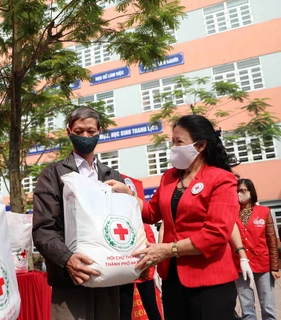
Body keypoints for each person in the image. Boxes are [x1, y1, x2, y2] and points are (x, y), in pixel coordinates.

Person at [107, 114, 240, 320]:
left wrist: (169, 249)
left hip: (210, 281)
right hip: (173, 279)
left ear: (201, 145)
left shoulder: (221, 179)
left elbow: (216, 234)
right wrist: (129, 195)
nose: (174, 148)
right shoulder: (169, 177)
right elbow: (152, 212)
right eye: (173, 142)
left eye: (180, 142)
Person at [32, 106, 128, 320]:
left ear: (99, 131)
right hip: (70, 281)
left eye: (91, 131)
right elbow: (44, 229)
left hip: (108, 279)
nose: (85, 136)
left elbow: (125, 223)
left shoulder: (113, 177)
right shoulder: (53, 175)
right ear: (69, 132)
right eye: (79, 131)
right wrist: (67, 260)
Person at [234, 178, 279, 320]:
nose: (239, 194)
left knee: (268, 308)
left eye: (243, 190)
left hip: (263, 265)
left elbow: (271, 240)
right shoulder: (232, 214)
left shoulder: (264, 211)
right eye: (237, 191)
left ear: (251, 192)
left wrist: (275, 267)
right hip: (241, 267)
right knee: (247, 310)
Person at [119, 224, 162, 320]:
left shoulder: (143, 224)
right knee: (125, 311)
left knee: (151, 308)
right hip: (126, 273)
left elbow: (150, 248)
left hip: (143, 272)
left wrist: (147, 268)